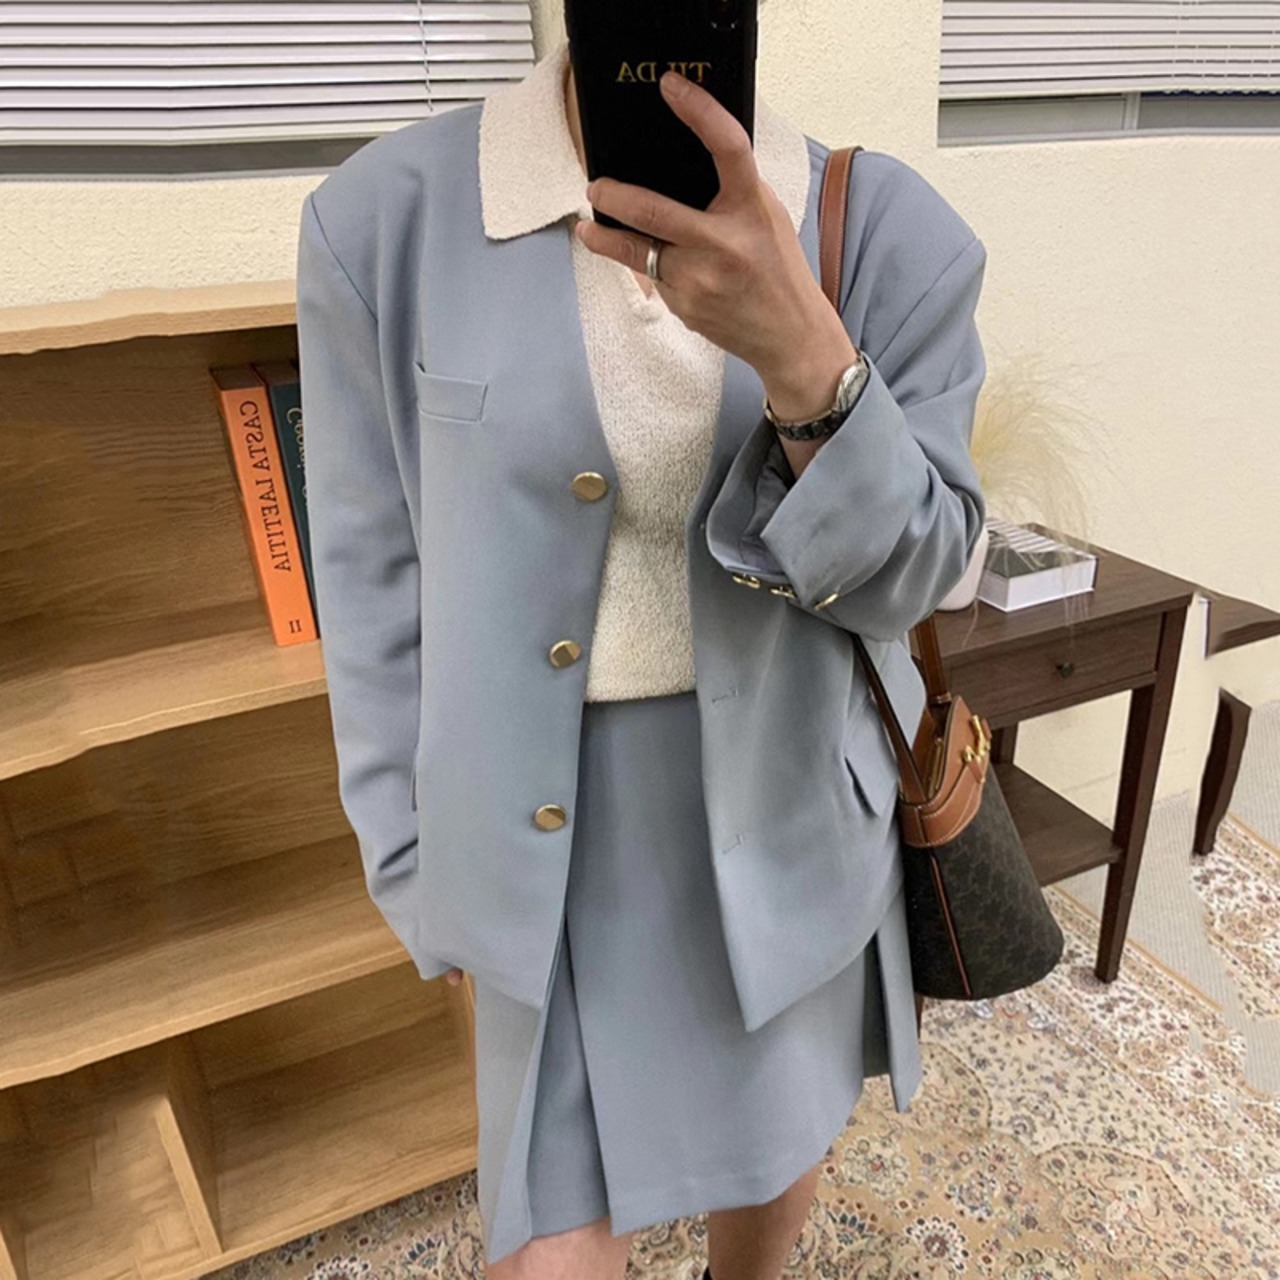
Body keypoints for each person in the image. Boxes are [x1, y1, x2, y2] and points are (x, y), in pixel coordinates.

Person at [295, 23, 987, 1280]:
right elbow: (370, 581)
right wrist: (412, 861)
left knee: (770, 1175)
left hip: (788, 818)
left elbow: (920, 576)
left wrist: (808, 363)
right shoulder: (381, 224)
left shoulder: (884, 232)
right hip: (534, 848)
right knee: (546, 1245)